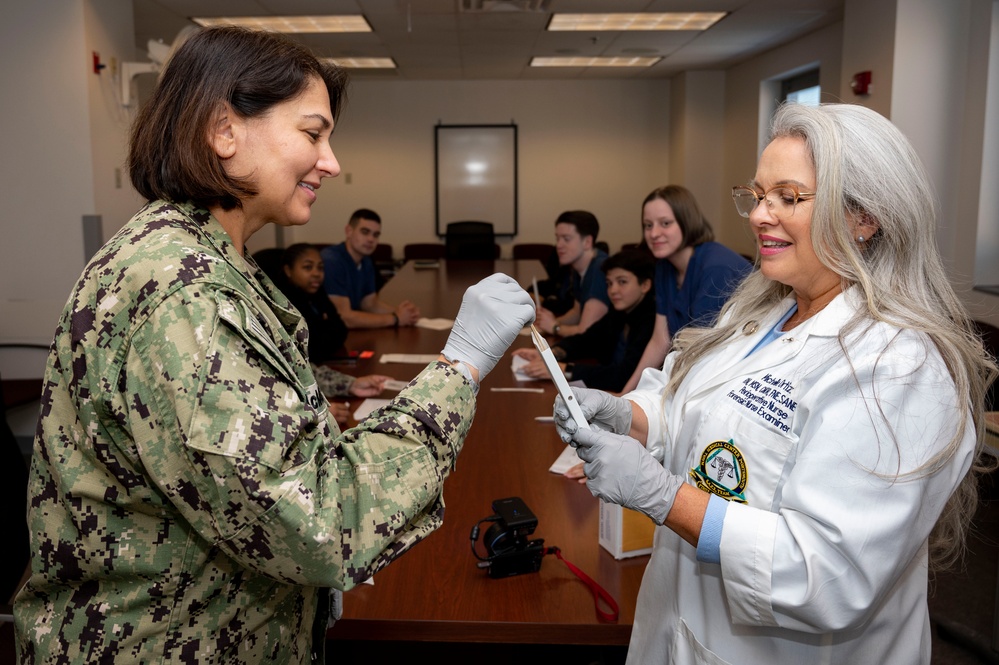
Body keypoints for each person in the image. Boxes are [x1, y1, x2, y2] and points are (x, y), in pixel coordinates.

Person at [14, 26, 535, 664]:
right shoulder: (186, 295)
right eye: (313, 134)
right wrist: (460, 365)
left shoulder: (193, 258)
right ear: (224, 130)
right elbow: (321, 520)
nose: (332, 161)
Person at [554, 103, 996, 664]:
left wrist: (664, 499)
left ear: (865, 218)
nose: (760, 215)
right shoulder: (767, 312)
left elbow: (826, 574)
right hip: (684, 624)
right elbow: (705, 412)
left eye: (788, 197)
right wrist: (631, 416)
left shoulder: (898, 370)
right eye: (758, 195)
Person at [619, 186, 751, 394]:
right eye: (647, 225)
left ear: (686, 221)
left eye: (665, 223)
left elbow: (701, 352)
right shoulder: (664, 265)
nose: (653, 233)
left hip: (730, 380)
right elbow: (660, 340)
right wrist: (625, 395)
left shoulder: (716, 268)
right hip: (694, 371)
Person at [512, 249, 655, 393]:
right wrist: (551, 353)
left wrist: (564, 370)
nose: (613, 290)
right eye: (609, 283)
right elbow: (589, 339)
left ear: (645, 285)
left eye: (622, 282)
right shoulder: (621, 311)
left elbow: (623, 375)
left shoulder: (651, 321)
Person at [278, 243, 390, 426]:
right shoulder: (282, 305)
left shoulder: (317, 293)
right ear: (288, 271)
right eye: (307, 267)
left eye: (320, 268)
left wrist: (351, 384)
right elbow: (305, 356)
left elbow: (339, 330)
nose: (316, 273)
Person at [321, 208, 420, 329]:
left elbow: (369, 304)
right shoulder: (332, 261)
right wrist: (396, 318)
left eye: (376, 235)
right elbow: (344, 317)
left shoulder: (366, 260)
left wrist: (403, 313)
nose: (371, 239)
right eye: (365, 232)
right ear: (349, 231)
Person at [534, 210, 611, 338]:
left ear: (587, 242)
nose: (559, 245)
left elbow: (585, 331)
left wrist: (554, 327)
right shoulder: (578, 266)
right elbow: (577, 312)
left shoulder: (599, 270)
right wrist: (550, 322)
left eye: (566, 239)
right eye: (557, 238)